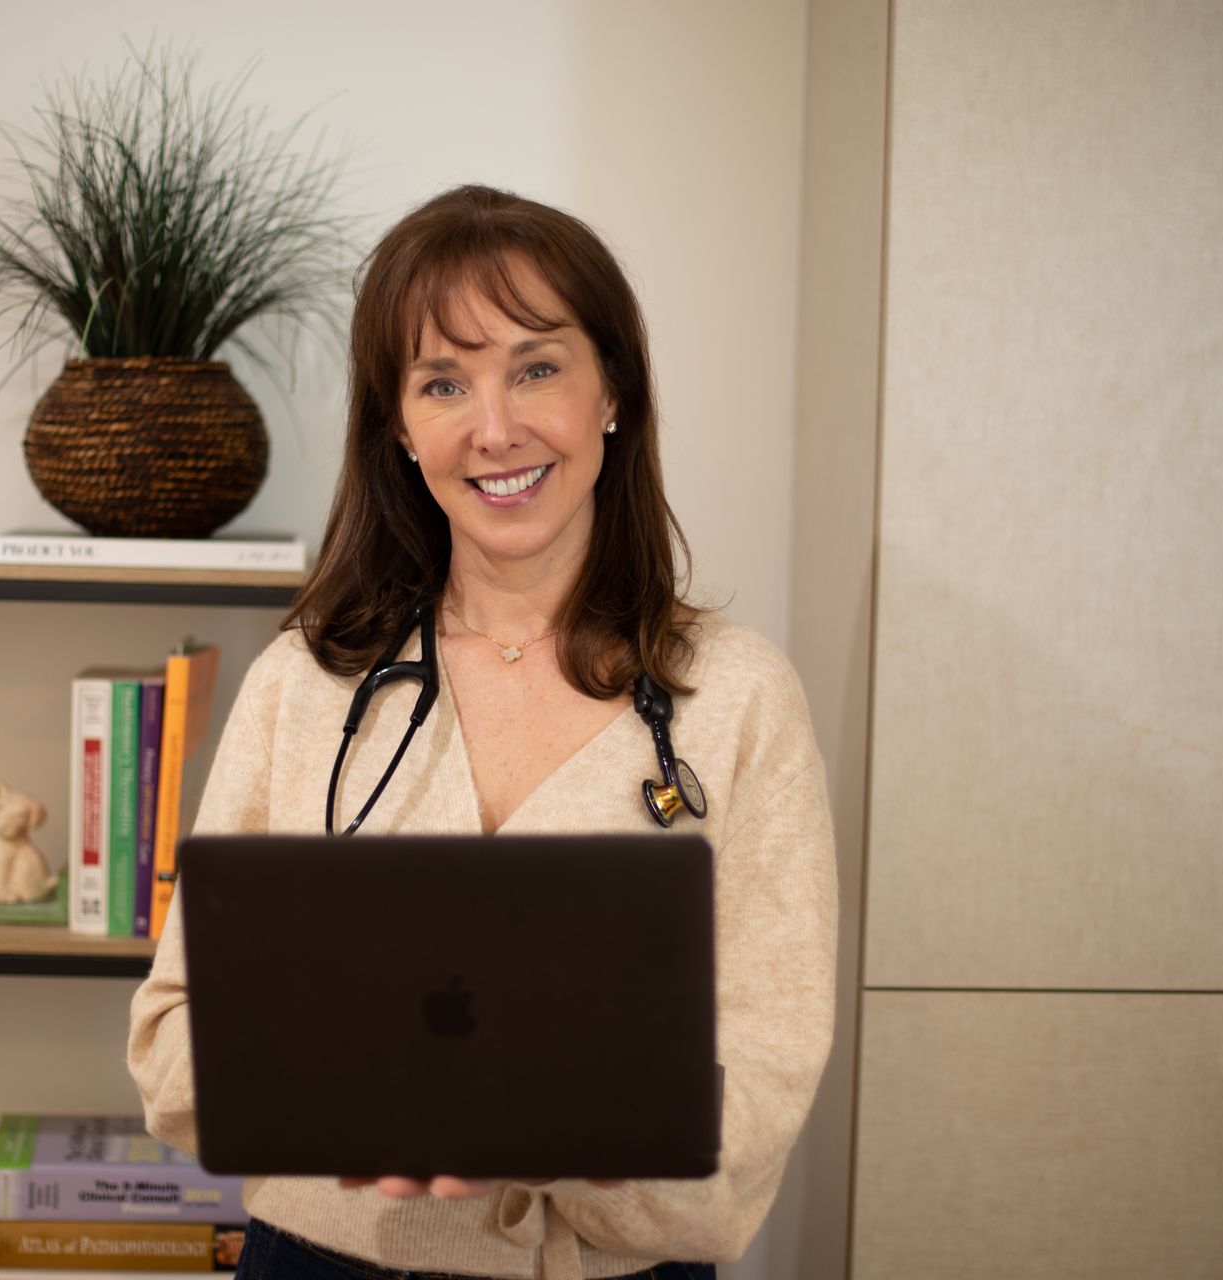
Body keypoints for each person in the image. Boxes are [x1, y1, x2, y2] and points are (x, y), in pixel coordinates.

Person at [128, 184, 836, 1280]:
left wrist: (559, 1133)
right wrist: (358, 1091)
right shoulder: (303, 687)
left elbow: (766, 1074)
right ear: (400, 428)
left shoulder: (738, 697)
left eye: (537, 368)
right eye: (444, 382)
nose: (495, 428)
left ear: (613, 393)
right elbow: (174, 1044)